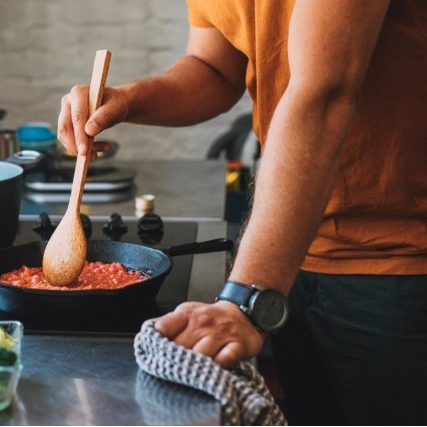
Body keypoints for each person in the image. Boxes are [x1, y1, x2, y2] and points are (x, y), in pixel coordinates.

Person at [56, 1, 427, 425]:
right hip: (294, 250)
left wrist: (247, 299)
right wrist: (127, 99)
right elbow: (214, 68)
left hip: (398, 262)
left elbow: (323, 95)